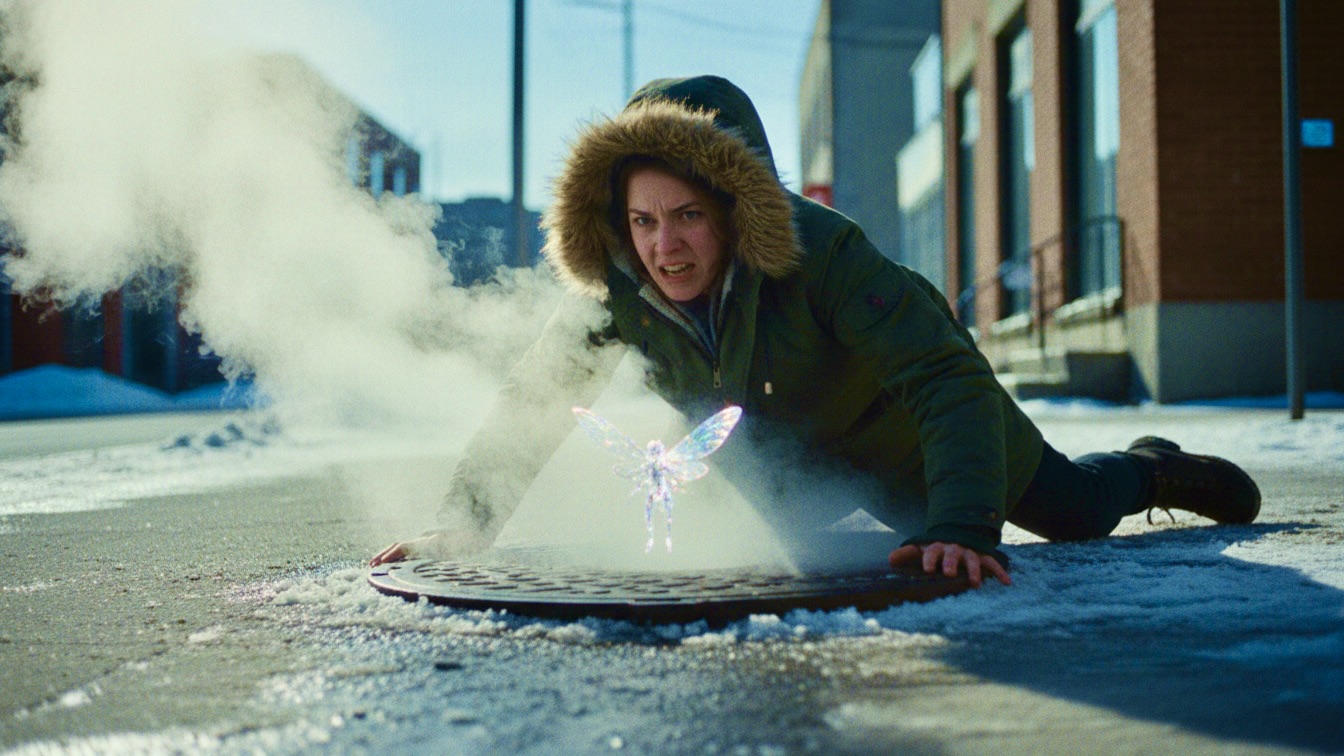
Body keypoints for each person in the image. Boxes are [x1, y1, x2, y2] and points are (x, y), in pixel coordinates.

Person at [371, 76, 1261, 588]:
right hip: (790, 471)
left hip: (913, 438)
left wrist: (961, 522)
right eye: (643, 221)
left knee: (1067, 514)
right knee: (786, 567)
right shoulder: (618, 290)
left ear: (733, 204)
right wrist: (465, 522)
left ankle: (1150, 466)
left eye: (686, 215)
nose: (664, 245)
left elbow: (946, 383)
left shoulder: (829, 253)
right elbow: (535, 401)